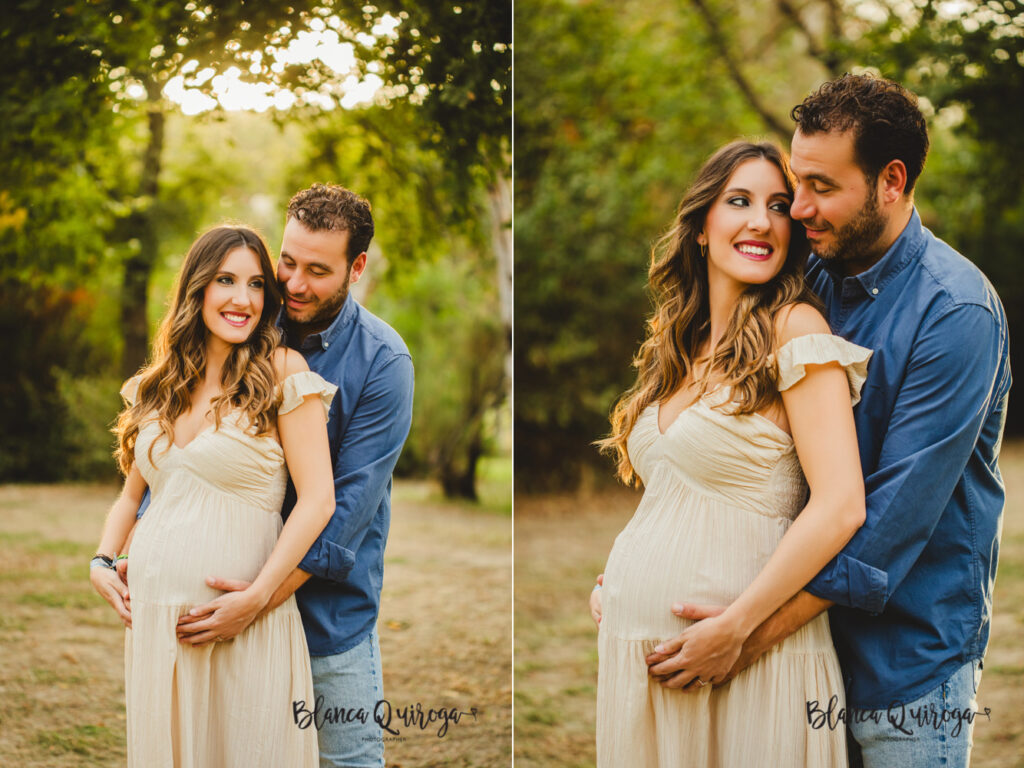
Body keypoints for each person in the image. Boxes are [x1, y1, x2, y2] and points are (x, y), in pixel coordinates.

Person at [647, 74, 1011, 768]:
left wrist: (743, 635)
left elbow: (881, 535)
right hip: (798, 653)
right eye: (795, 183)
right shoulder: (803, 273)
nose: (799, 209)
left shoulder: (955, 314)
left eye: (820, 186)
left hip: (904, 670)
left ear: (892, 181)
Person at [593, 140, 871, 766]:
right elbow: (676, 497)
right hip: (641, 652)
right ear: (701, 226)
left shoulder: (796, 330)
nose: (761, 221)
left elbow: (841, 505)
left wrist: (738, 627)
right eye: (738, 201)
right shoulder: (678, 346)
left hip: (749, 657)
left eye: (778, 206)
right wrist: (622, 576)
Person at [174, 184, 415, 768]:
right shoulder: (242, 322)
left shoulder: (384, 363)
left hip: (327, 622)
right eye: (287, 261)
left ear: (357, 267)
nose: (295, 284)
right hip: (220, 602)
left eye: (317, 270)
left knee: (346, 761)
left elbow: (343, 520)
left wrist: (256, 602)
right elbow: (189, 453)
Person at [89, 225, 337, 766]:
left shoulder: (284, 374)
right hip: (157, 623)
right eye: (226, 280)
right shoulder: (155, 386)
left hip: (243, 620)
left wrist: (256, 598)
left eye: (255, 285)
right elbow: (132, 496)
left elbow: (319, 500)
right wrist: (102, 560)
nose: (243, 299)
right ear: (197, 287)